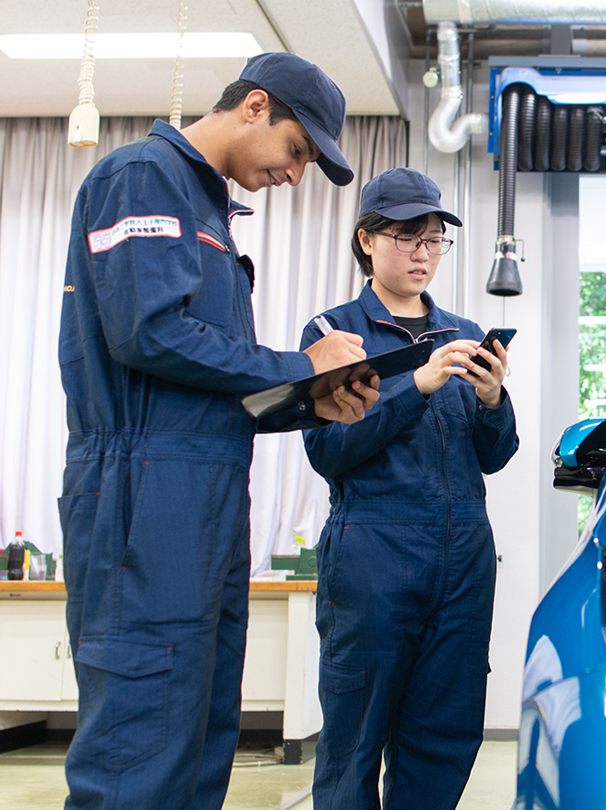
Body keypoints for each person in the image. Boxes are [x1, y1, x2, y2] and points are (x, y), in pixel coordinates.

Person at [57, 52, 379, 810]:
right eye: (298, 151)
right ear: (255, 107)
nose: (296, 176)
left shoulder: (209, 210)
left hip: (205, 499)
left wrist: (309, 398)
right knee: (140, 743)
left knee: (200, 734)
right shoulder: (142, 177)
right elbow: (147, 334)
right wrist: (299, 362)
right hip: (142, 497)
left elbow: (204, 386)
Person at [300, 167, 520, 810]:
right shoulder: (333, 334)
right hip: (373, 552)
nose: (423, 254)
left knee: (445, 730)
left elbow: (497, 456)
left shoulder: (462, 332)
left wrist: (490, 397)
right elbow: (329, 450)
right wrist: (416, 386)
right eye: (407, 238)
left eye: (434, 241)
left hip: (463, 560)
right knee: (355, 735)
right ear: (367, 239)